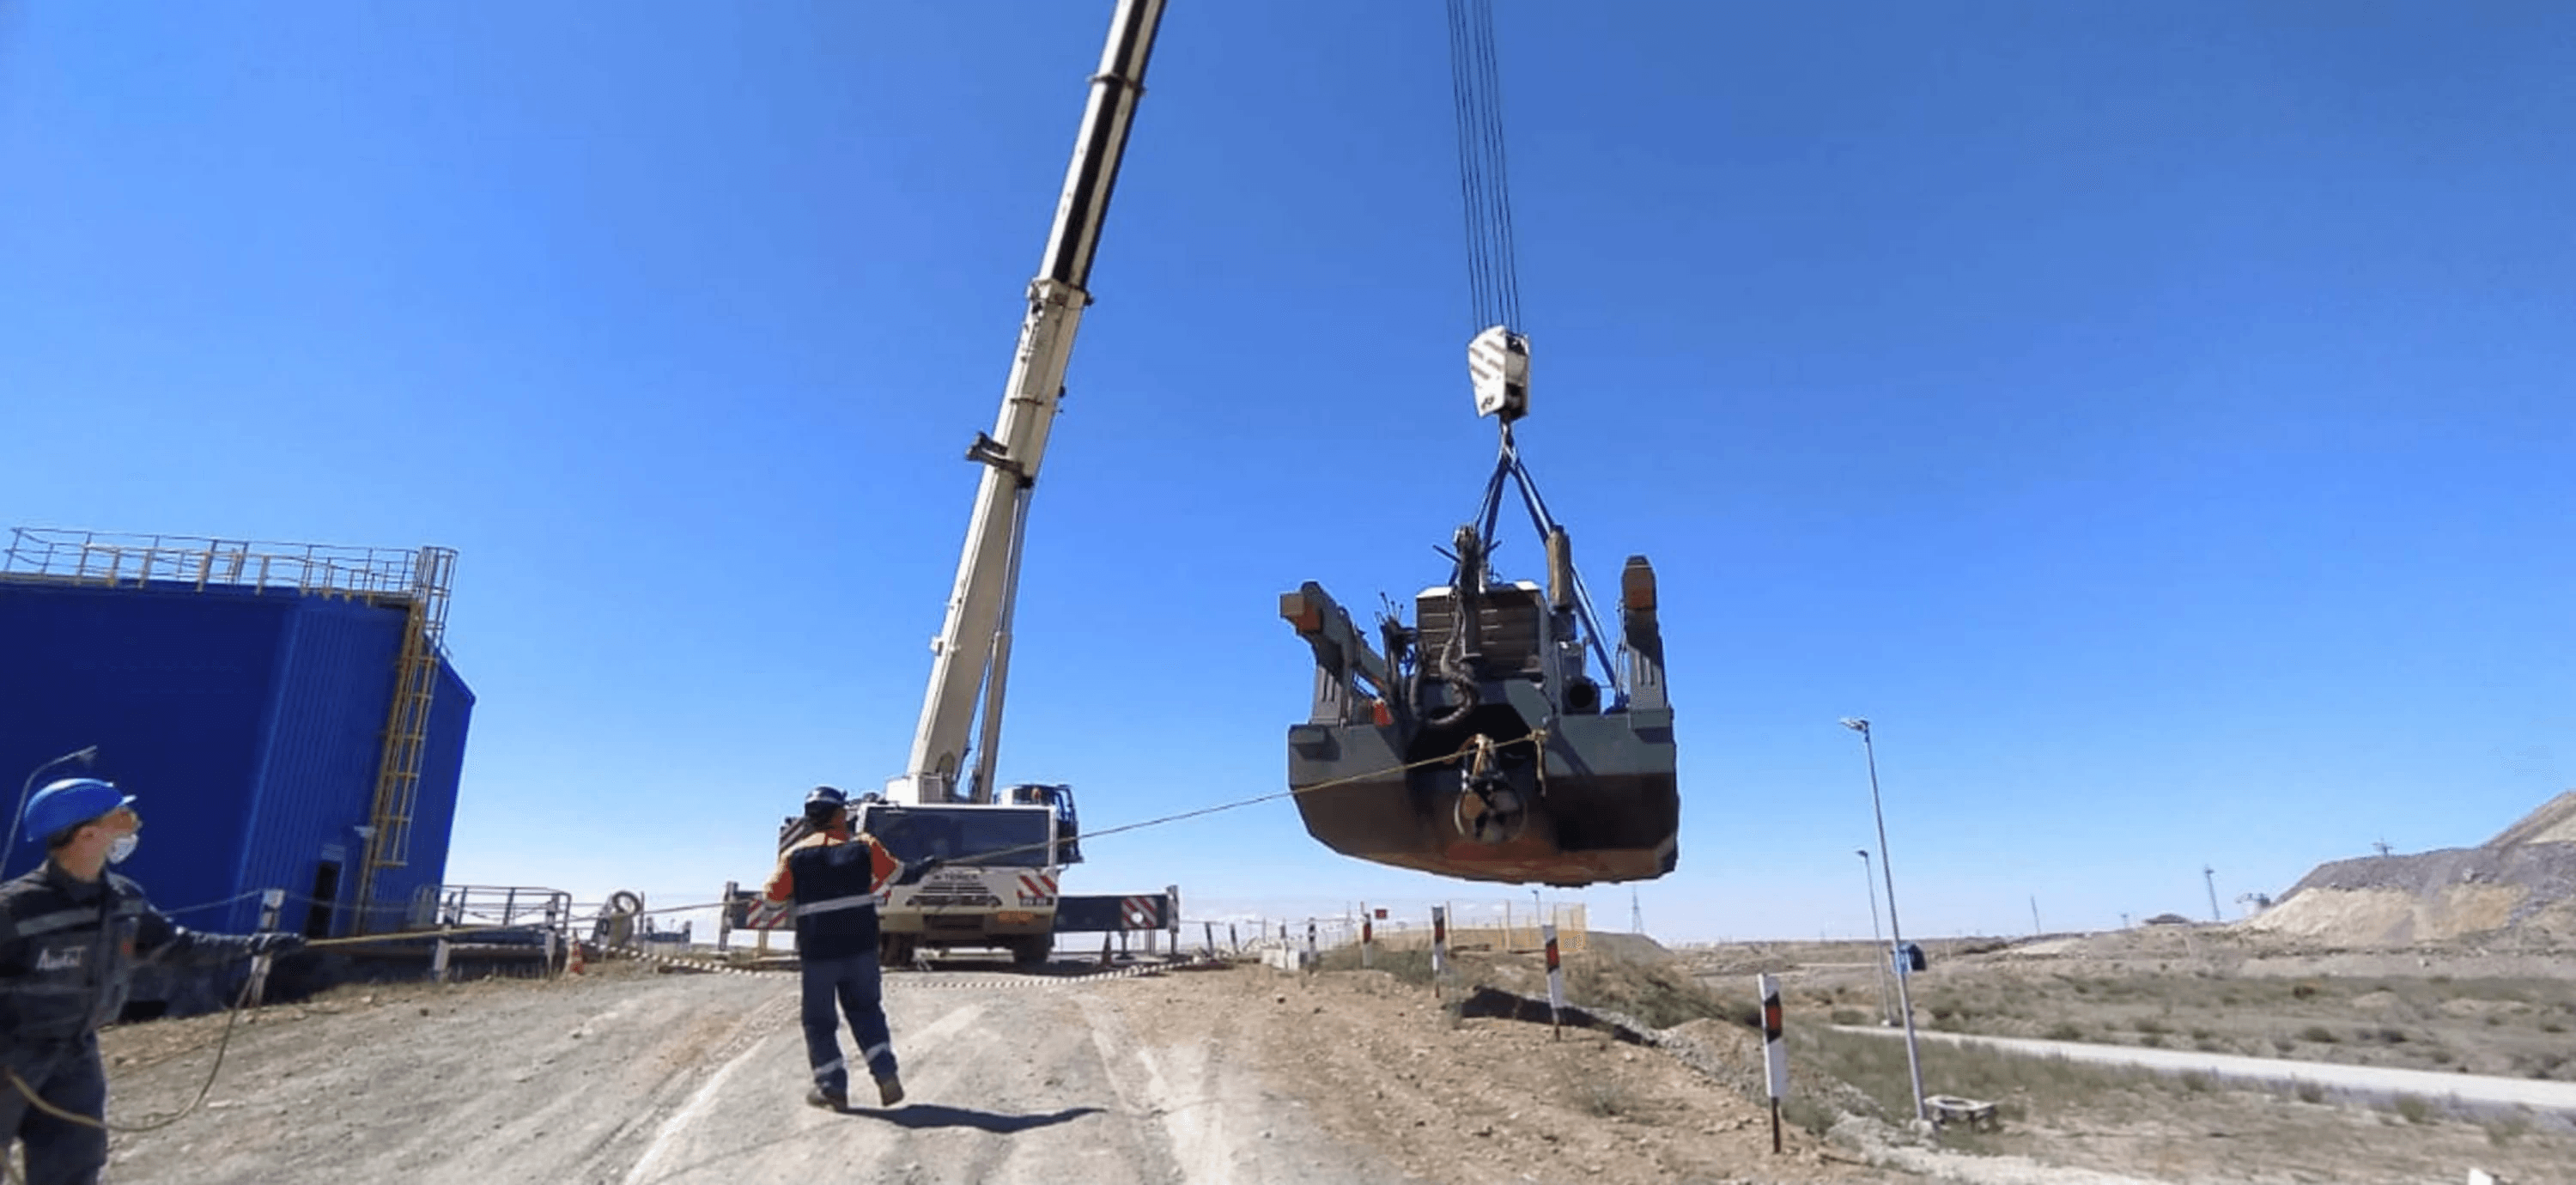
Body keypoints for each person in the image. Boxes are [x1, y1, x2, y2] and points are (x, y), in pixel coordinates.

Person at [0, 778, 303, 1185]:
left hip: (75, 1056)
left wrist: (253, 946)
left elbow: (178, 946)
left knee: (75, 1164)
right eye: (122, 817)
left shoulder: (124, 900)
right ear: (87, 835)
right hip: (10, 1057)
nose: (133, 826)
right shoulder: (16, 909)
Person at [760, 786, 929, 1111]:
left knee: (819, 1021)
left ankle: (832, 1087)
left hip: (818, 954)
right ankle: (885, 1073)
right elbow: (899, 876)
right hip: (860, 948)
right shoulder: (864, 846)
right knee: (867, 1011)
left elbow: (771, 899)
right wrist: (925, 866)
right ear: (839, 814)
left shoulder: (794, 856)